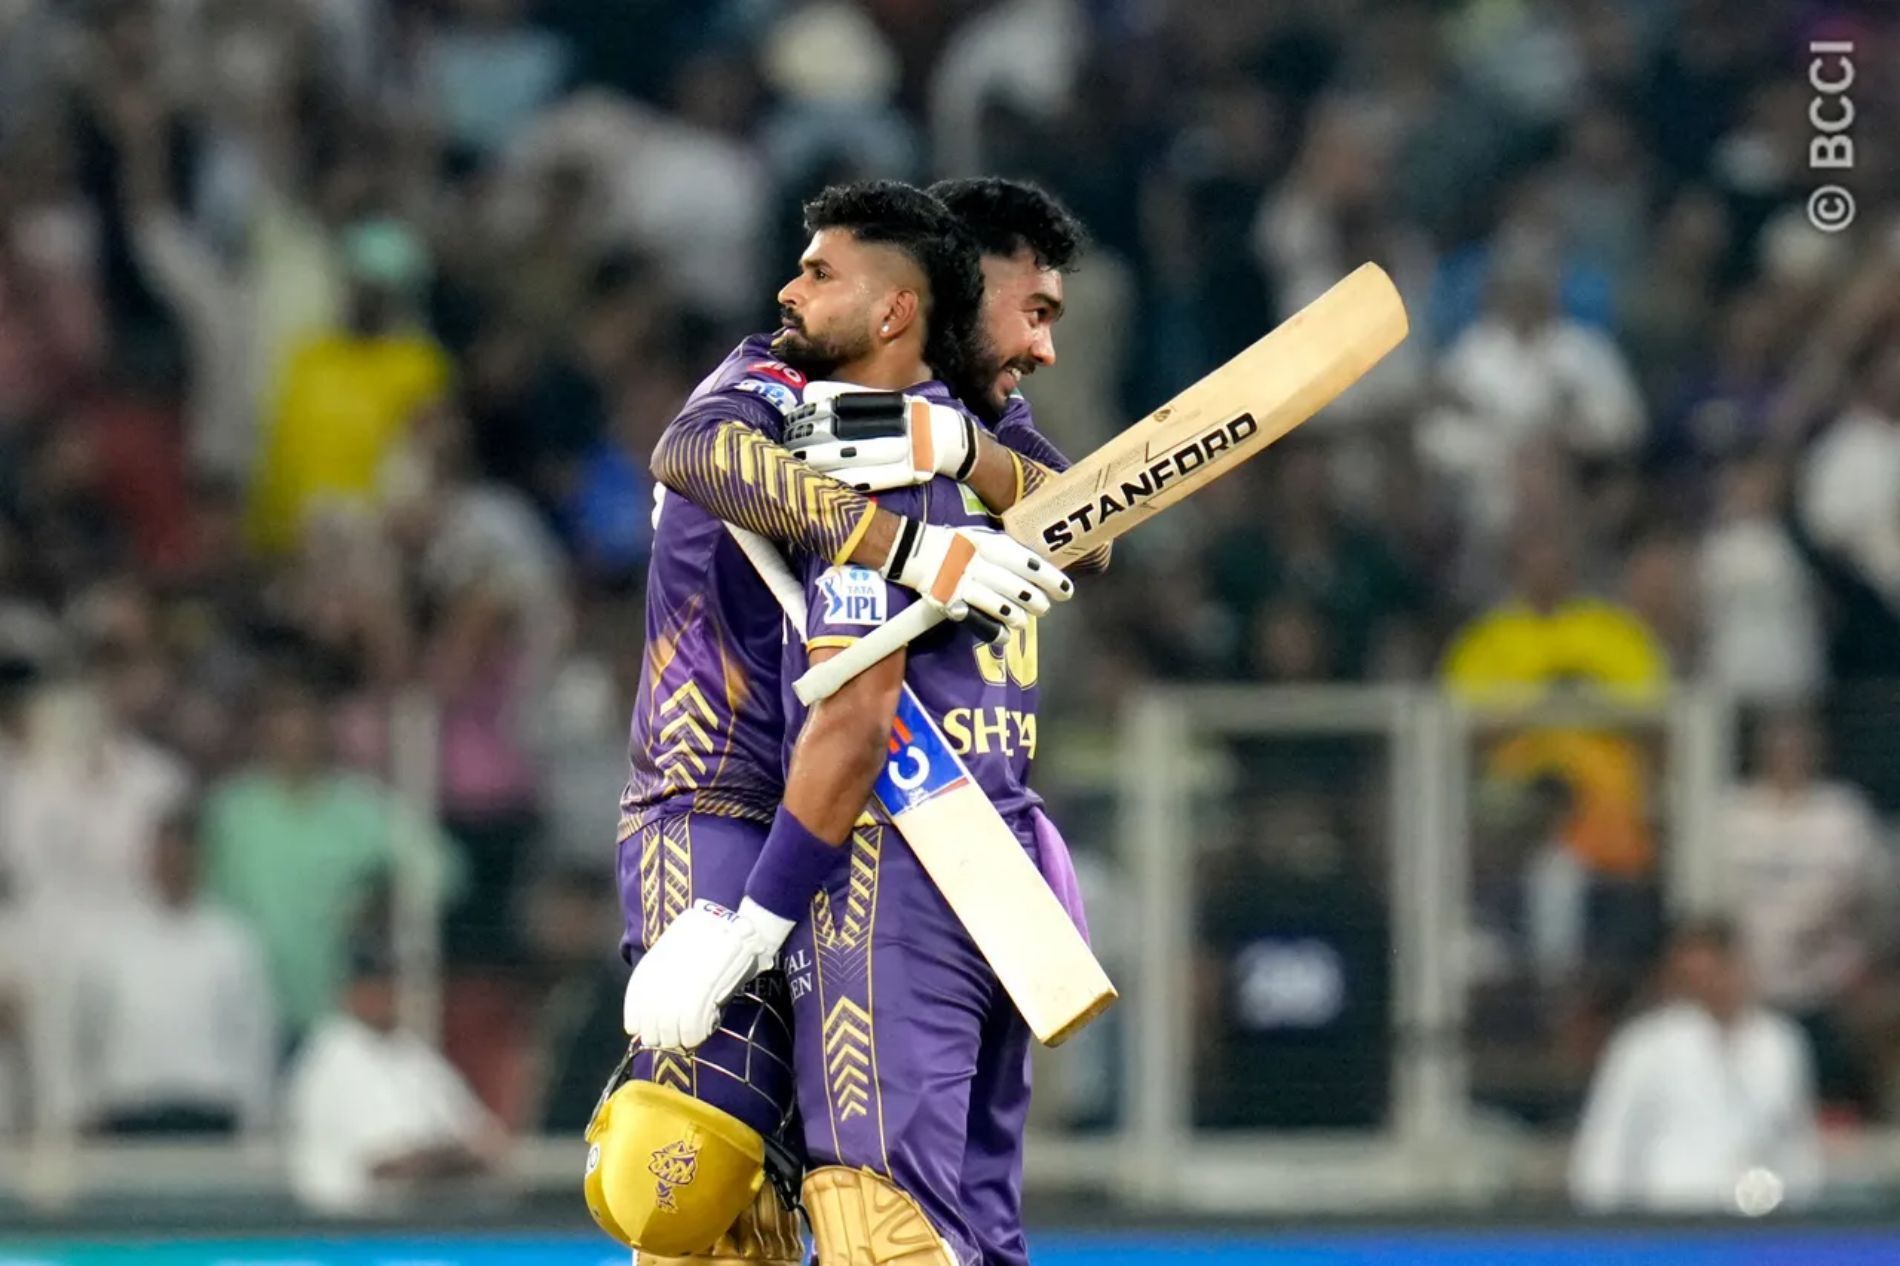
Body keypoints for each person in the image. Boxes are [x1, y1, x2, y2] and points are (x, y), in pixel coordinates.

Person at [585, 181, 1077, 1263]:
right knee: (686, 1179)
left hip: (850, 829)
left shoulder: (963, 418)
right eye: (1029, 311)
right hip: (710, 800)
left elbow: (1081, 525)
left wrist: (955, 455)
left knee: (851, 1198)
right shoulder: (777, 368)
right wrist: (915, 547)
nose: (1038, 347)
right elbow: (695, 455)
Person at [1569, 919, 1822, 1214]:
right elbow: (1607, 1142)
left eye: (1713, 972)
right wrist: (1605, 1226)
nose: (1705, 984)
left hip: (1756, 1220)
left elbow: (1796, 1138)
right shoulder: (1645, 1044)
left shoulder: (1780, 1041)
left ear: (1736, 967)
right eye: (1692, 976)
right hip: (1669, 1217)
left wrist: (1802, 1209)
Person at [66, 804, 275, 1136]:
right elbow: (87, 1031)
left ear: (200, 860)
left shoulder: (232, 940)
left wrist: (256, 1115)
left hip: (209, 1109)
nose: (173, 867)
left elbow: (254, 1036)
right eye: (165, 856)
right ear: (150, 860)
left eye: (182, 857)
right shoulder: (111, 942)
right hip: (129, 1106)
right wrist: (84, 1102)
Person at [284, 940, 506, 1216]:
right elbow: (391, 1167)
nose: (391, 995)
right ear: (352, 990)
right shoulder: (333, 1055)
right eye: (379, 984)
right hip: (344, 1233)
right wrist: (456, 1157)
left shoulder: (412, 1051)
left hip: (419, 1231)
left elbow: (490, 1143)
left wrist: (442, 1158)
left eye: (395, 984)